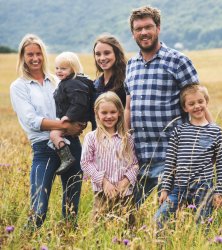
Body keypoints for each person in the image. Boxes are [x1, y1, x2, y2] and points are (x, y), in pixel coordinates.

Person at [125, 5, 212, 207]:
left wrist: (211, 140)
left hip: (171, 157)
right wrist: (125, 143)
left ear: (158, 28)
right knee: (133, 217)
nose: (144, 32)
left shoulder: (178, 61)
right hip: (139, 158)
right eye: (138, 29)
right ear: (133, 33)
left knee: (166, 220)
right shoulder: (131, 65)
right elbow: (128, 108)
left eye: (148, 27)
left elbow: (198, 104)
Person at [9, 34, 84, 228]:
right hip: (43, 149)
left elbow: (75, 103)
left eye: (38, 54)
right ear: (22, 57)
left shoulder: (58, 80)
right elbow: (31, 121)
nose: (35, 58)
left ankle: (68, 243)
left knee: (71, 211)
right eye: (30, 54)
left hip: (71, 145)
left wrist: (80, 122)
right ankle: (22, 241)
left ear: (44, 55)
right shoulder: (19, 86)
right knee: (38, 211)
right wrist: (65, 126)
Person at [154, 84, 222, 226]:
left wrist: (220, 191)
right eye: (191, 104)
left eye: (200, 102)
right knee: (158, 221)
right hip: (178, 188)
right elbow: (170, 162)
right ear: (185, 108)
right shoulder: (179, 131)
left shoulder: (215, 131)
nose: (197, 106)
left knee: (202, 227)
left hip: (204, 190)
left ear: (206, 102)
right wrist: (165, 188)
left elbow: (221, 164)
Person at [80, 91, 139, 222]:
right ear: (97, 113)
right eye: (104, 113)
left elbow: (135, 164)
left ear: (119, 112)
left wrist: (125, 181)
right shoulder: (92, 138)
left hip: (125, 194)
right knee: (100, 230)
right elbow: (86, 162)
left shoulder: (127, 138)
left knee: (127, 229)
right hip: (102, 193)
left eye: (113, 112)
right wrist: (104, 183)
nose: (109, 116)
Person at [50, 51, 95, 175]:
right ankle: (67, 156)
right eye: (57, 68)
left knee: (54, 135)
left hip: (75, 118)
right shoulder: (68, 82)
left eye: (63, 68)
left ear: (73, 69)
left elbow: (79, 103)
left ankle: (66, 158)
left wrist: (69, 116)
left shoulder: (72, 83)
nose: (59, 71)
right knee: (63, 136)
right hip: (76, 118)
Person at [93, 34, 127, 118]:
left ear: (117, 54)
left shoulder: (127, 81)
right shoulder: (95, 84)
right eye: (98, 54)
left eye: (107, 53)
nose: (102, 58)